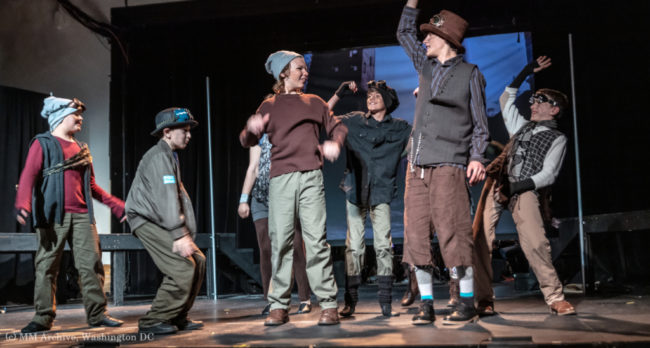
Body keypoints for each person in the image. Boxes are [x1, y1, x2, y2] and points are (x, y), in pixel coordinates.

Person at [397, 0, 490, 325]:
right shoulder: (426, 67)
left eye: (431, 36)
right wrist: (411, 3)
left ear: (447, 39)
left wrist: (477, 157)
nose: (425, 41)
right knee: (416, 237)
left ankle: (466, 303)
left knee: (453, 234)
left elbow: (480, 124)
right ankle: (426, 304)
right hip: (417, 164)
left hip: (449, 164)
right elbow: (404, 32)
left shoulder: (470, 75)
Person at [240, 50, 347, 326]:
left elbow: (337, 127)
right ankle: (278, 306)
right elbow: (247, 139)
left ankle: (328, 304)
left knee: (315, 241)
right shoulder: (269, 106)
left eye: (306, 68)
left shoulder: (315, 102)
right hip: (281, 180)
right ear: (283, 72)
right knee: (281, 242)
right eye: (300, 68)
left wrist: (334, 142)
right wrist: (251, 129)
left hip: (311, 176)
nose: (305, 72)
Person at [473, 56, 576, 316]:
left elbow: (549, 174)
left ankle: (555, 297)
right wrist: (525, 73)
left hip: (524, 189)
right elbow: (505, 100)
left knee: (535, 241)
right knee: (480, 239)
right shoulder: (521, 127)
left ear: (554, 110)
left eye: (540, 100)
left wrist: (517, 187)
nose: (533, 103)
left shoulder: (557, 137)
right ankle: (484, 299)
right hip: (498, 183)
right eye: (534, 99)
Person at [14, 95, 125, 333]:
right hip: (53, 215)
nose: (80, 118)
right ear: (62, 116)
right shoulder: (42, 143)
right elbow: (29, 175)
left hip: (83, 215)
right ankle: (42, 317)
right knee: (47, 266)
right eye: (76, 114)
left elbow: (92, 186)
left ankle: (97, 315)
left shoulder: (81, 149)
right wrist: (23, 203)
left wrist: (116, 205)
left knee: (91, 265)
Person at [327, 80, 411, 317]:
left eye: (377, 95)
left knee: (384, 246)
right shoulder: (354, 120)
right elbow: (323, 117)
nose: (371, 98)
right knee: (354, 248)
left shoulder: (400, 128)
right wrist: (338, 93)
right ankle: (350, 301)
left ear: (388, 101)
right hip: (355, 191)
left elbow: (419, 139)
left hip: (382, 192)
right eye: (369, 95)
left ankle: (385, 301)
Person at [125, 107, 206, 335]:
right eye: (185, 130)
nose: (189, 135)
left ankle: (177, 314)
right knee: (182, 265)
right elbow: (167, 196)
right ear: (167, 132)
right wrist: (179, 233)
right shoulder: (159, 156)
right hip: (146, 220)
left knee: (198, 261)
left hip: (159, 219)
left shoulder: (169, 155)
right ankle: (154, 319)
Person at [238, 133, 312, 315]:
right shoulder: (258, 137)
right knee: (266, 249)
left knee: (295, 246)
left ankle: (305, 298)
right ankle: (272, 300)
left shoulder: (287, 133)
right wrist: (243, 199)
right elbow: (253, 168)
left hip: (285, 197)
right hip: (261, 198)